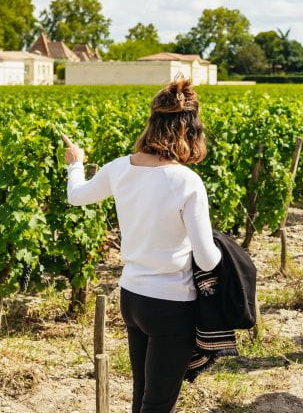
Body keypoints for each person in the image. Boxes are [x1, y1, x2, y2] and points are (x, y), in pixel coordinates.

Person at [63, 79, 222, 413]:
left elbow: (77, 197)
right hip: (172, 303)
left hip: (132, 297)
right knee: (159, 402)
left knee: (142, 394)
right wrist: (226, 251)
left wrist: (74, 162)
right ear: (190, 129)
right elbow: (207, 259)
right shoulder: (187, 181)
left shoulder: (121, 167)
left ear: (153, 123)